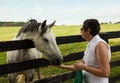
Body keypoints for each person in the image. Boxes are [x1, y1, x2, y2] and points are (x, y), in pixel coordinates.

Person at [57, 19, 111, 83]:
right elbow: (79, 66)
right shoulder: (91, 44)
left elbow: (105, 73)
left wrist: (85, 68)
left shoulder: (100, 45)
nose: (80, 32)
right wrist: (62, 66)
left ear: (88, 30)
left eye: (81, 29)